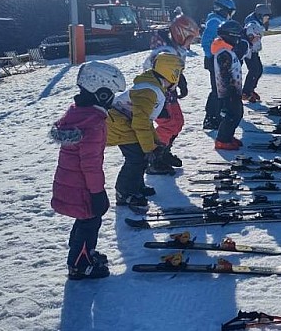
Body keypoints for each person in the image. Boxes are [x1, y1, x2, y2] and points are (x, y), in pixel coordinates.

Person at [50, 61, 126, 280]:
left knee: (84, 221)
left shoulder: (78, 113)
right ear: (101, 94)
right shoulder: (93, 124)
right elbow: (90, 165)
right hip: (82, 187)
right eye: (111, 93)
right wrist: (97, 193)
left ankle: (81, 254)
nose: (113, 99)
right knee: (90, 220)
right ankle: (79, 264)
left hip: (70, 182)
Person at [107, 52, 184, 206]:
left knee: (140, 158)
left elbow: (146, 120)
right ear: (171, 73)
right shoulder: (149, 91)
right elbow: (140, 123)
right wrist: (149, 149)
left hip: (126, 124)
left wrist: (156, 143)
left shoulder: (154, 86)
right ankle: (124, 193)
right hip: (119, 126)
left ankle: (136, 187)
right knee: (135, 159)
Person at [142, 15, 200, 171]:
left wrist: (181, 81)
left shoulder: (176, 48)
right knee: (168, 124)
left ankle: (163, 151)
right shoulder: (164, 51)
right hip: (159, 94)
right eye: (190, 39)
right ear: (181, 34)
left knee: (178, 122)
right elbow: (154, 70)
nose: (191, 43)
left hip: (169, 93)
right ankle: (152, 159)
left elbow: (174, 68)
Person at [201, 0, 236, 130]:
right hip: (214, 60)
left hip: (222, 60)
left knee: (223, 89)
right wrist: (213, 57)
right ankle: (210, 118)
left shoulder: (221, 21)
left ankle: (218, 112)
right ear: (223, 10)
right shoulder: (214, 21)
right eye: (230, 12)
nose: (231, 16)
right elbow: (205, 42)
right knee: (217, 90)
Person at [213, 20, 245, 150]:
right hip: (229, 91)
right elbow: (225, 74)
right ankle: (222, 140)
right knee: (233, 115)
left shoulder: (228, 50)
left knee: (238, 113)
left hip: (234, 90)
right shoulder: (223, 53)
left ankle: (228, 135)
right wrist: (231, 90)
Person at [242, 3, 271, 103]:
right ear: (260, 16)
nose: (267, 20)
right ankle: (246, 92)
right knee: (254, 70)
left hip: (253, 51)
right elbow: (249, 33)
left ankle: (250, 89)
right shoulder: (252, 24)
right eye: (266, 17)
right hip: (249, 52)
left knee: (258, 70)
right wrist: (251, 39)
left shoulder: (256, 22)